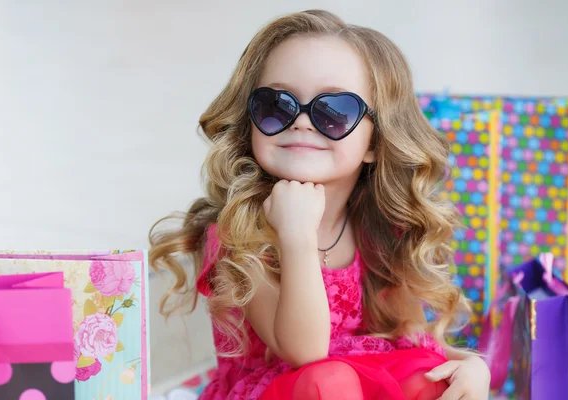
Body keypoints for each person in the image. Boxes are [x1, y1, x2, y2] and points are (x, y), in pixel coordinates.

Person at [150, 9, 490, 400]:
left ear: (376, 142)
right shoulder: (236, 233)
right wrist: (295, 234)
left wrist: (471, 366)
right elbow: (303, 352)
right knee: (328, 381)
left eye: (334, 111)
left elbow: (411, 340)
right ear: (250, 120)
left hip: (361, 379)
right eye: (278, 104)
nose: (302, 121)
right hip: (286, 389)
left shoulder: (377, 226)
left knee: (427, 376)